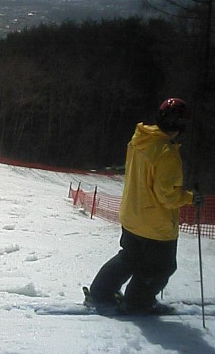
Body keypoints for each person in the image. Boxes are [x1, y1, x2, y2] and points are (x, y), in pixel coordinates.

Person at [86, 98, 202, 314]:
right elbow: (168, 196)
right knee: (161, 267)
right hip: (156, 226)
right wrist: (190, 197)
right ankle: (138, 301)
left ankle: (100, 293)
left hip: (132, 215)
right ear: (180, 126)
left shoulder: (140, 139)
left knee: (129, 258)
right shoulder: (166, 152)